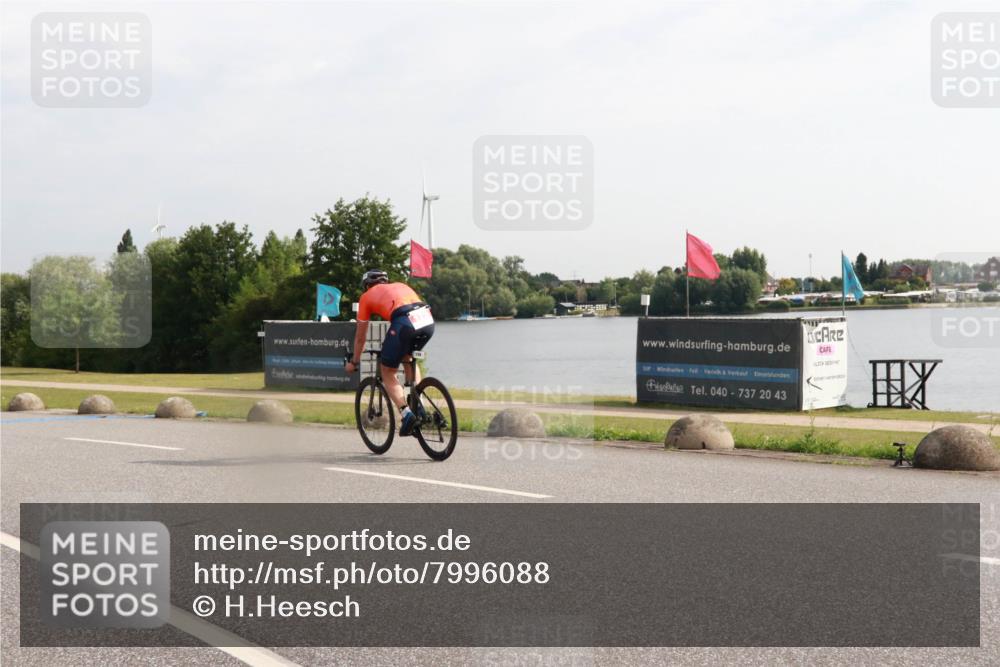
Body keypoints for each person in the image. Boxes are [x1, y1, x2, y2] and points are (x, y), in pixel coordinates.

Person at [344, 270, 434, 436]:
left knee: (387, 370)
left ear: (367, 285)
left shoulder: (366, 297)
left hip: (404, 320)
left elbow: (360, 337)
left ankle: (407, 414)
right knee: (408, 357)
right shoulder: (400, 285)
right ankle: (418, 405)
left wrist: (354, 361)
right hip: (427, 320)